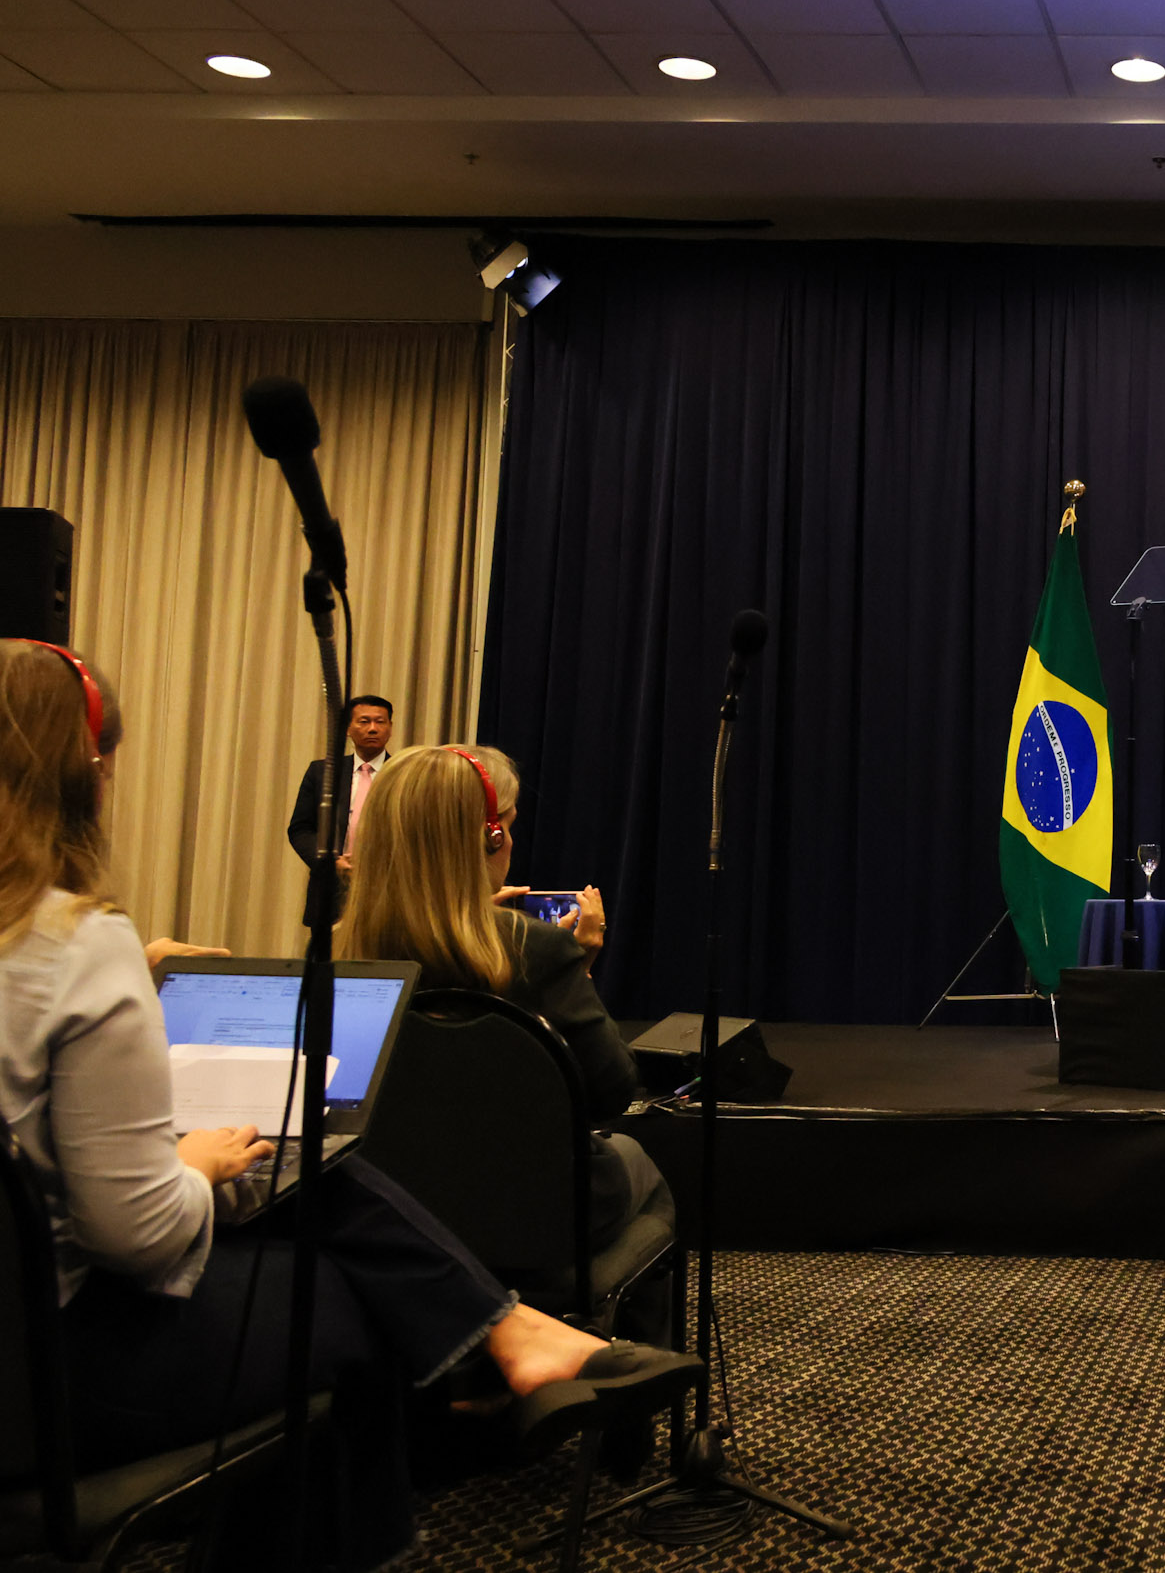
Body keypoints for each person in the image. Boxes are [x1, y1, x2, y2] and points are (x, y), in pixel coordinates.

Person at [0, 641, 697, 1570]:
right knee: (339, 1299)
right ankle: (505, 1342)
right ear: (85, 773)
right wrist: (196, 1167)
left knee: (311, 1195)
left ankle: (511, 1338)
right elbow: (136, 1234)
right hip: (34, 1374)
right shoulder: (77, 949)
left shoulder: (341, 950)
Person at [337, 744, 665, 1251]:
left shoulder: (339, 951)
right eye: (507, 826)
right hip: (531, 1211)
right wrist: (578, 970)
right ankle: (602, 1323)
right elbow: (610, 1092)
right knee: (638, 1163)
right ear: (488, 839)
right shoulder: (536, 948)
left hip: (381, 1203)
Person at [288, 694, 395, 869]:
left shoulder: (403, 772)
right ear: (347, 728)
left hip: (386, 880)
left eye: (380, 722)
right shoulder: (323, 772)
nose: (373, 729)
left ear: (390, 728)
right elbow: (301, 829)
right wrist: (331, 863)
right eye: (364, 721)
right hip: (331, 881)